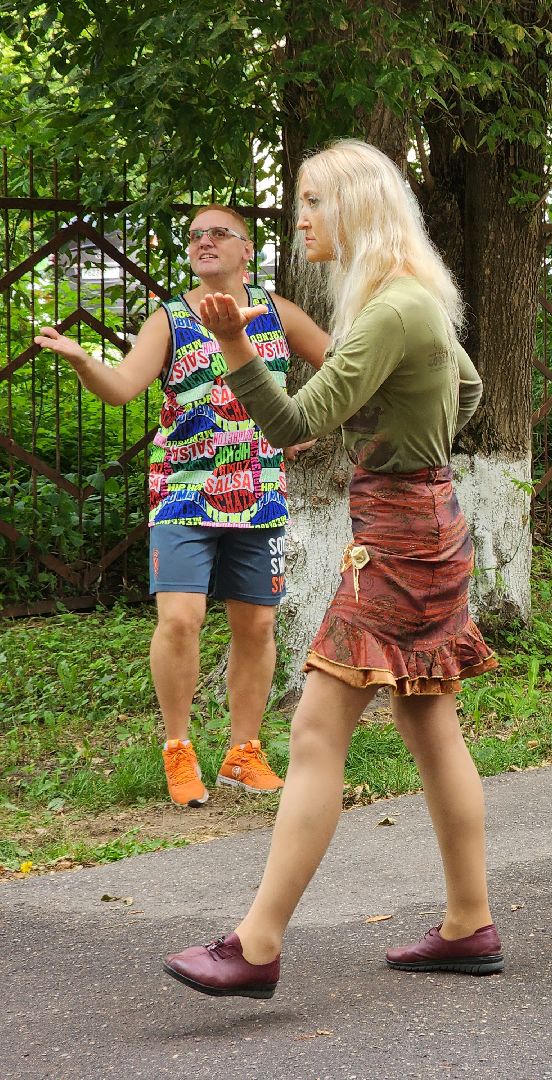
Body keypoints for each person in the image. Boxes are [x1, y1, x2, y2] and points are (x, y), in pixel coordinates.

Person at [163, 139, 497, 998]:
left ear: (352, 207)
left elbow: (288, 423)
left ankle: (258, 944)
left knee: (314, 734)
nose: (300, 219)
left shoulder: (389, 310)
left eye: (311, 202)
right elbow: (467, 389)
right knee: (431, 727)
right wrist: (413, 437)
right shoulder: (412, 297)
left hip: (391, 543)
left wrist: (236, 345)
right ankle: (469, 923)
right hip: (430, 524)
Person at [34, 205, 329, 808]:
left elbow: (346, 368)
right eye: (195, 235)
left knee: (257, 626)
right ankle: (178, 749)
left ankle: (243, 754)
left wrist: (310, 423)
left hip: (260, 496)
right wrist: (86, 360)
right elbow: (121, 388)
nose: (204, 241)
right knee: (180, 620)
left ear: (248, 249)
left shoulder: (278, 313)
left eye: (219, 233)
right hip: (183, 492)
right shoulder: (170, 318)